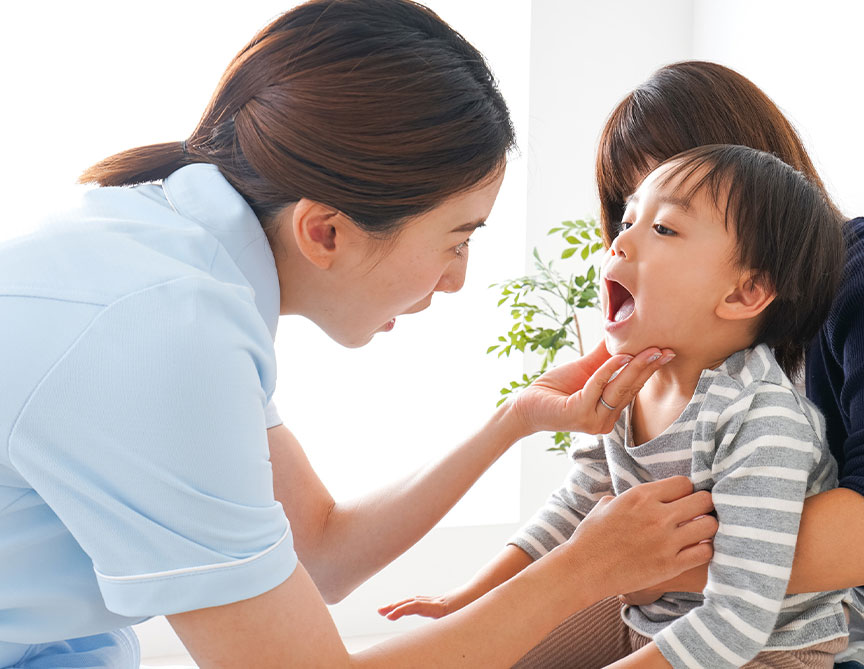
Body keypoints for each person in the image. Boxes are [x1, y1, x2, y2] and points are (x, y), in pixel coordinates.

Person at [0, 5, 720, 667]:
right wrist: (583, 569)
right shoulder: (159, 335)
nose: (457, 279)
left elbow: (319, 551)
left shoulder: (171, 264)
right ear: (325, 230)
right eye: (456, 238)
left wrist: (516, 420)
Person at [381, 143, 864, 668]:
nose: (620, 240)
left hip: (765, 652)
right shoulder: (626, 385)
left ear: (744, 293)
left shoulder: (763, 421)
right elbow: (575, 508)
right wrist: (464, 602)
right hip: (651, 623)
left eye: (663, 229)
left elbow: (737, 620)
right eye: (628, 219)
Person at [586, 61, 864, 668]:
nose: (635, 238)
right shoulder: (702, 340)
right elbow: (606, 496)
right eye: (629, 210)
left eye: (672, 219)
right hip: (808, 610)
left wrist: (644, 566)